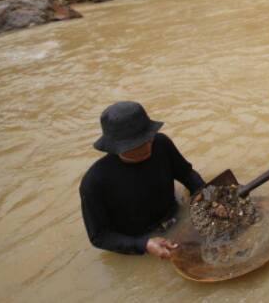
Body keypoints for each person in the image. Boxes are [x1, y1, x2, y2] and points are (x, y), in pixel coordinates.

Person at [79, 101, 205, 259]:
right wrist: (143, 245)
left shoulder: (161, 144)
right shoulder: (94, 182)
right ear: (115, 147)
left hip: (175, 216)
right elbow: (100, 236)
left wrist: (204, 194)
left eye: (147, 139)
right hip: (137, 240)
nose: (146, 147)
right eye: (134, 145)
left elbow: (186, 174)